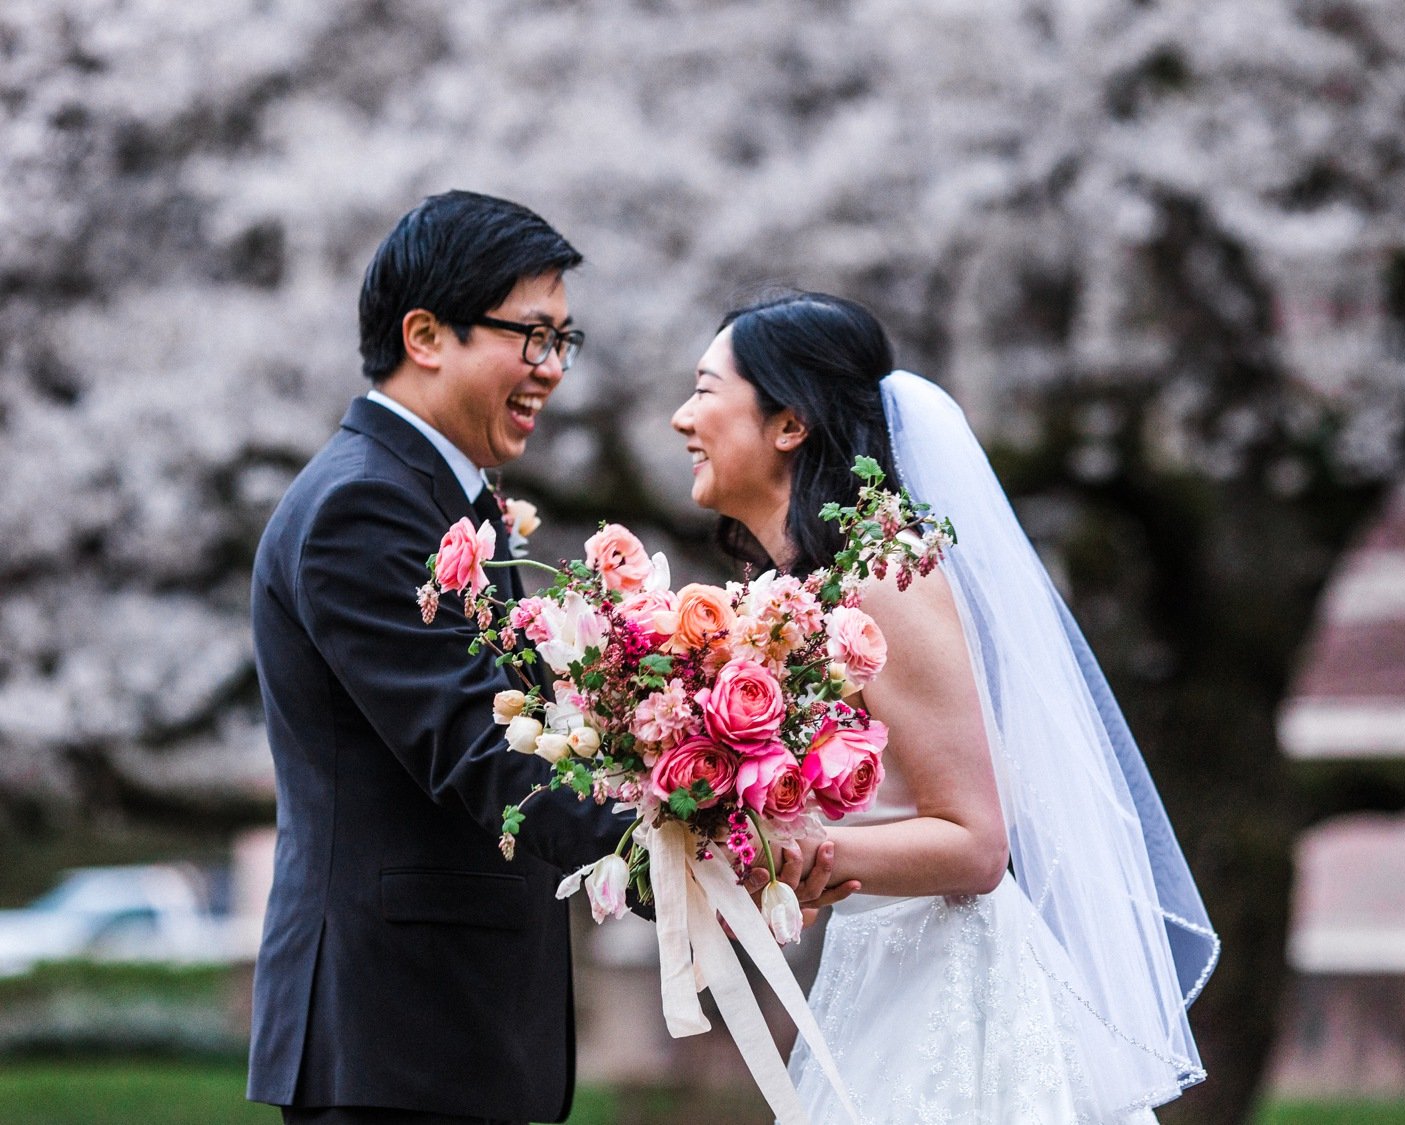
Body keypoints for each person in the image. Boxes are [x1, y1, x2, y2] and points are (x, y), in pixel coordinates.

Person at [670, 291, 1220, 1123]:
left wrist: (800, 852)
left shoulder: (881, 575)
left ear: (789, 422)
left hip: (955, 1002)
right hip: (875, 971)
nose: (682, 417)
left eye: (707, 390)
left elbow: (976, 842)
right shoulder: (806, 593)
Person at [247, 190, 631, 1125]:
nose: (550, 371)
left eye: (562, 343)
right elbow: (479, 744)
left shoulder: (441, 499)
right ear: (426, 335)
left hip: (438, 1035)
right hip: (393, 1040)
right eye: (531, 337)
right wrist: (678, 843)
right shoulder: (361, 508)